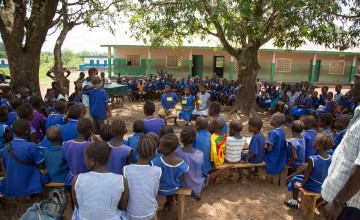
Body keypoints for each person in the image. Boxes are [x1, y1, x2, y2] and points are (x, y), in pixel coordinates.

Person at [322, 72, 360, 220]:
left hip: (348, 206)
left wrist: (338, 202)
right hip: (344, 202)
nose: (352, 83)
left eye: (357, 78)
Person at [71, 140, 129, 219]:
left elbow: (78, 206)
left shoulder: (77, 179)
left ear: (92, 161)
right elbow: (122, 207)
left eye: (85, 158)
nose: (84, 160)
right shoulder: (121, 180)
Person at [0, 119, 49, 197]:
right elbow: (41, 165)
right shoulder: (31, 146)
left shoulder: (7, 147)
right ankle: (30, 193)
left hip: (12, 180)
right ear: (27, 132)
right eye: (30, 128)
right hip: (28, 178)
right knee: (45, 175)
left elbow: (3, 160)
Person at [285, 133, 333, 209]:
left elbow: (307, 174)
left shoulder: (312, 159)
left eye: (315, 141)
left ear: (319, 146)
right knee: (300, 177)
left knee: (295, 179)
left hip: (314, 185)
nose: (313, 142)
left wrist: (301, 184)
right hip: (323, 185)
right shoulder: (331, 158)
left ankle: (294, 201)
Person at [123, 135, 161, 220]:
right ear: (154, 153)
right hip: (150, 214)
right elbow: (154, 192)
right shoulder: (157, 171)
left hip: (131, 215)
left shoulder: (126, 170)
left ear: (136, 149)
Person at [151, 133, 189, 209]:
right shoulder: (181, 162)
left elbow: (154, 178)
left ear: (167, 149)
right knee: (170, 185)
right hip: (174, 188)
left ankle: (169, 202)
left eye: (160, 145)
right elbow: (181, 178)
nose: (158, 146)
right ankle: (170, 201)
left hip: (159, 189)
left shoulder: (156, 161)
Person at [174, 127, 205, 200]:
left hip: (182, 184)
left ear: (181, 139)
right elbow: (201, 165)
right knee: (203, 174)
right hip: (196, 185)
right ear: (194, 139)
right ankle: (197, 194)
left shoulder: (176, 152)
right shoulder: (200, 154)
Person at [63, 118, 93, 190]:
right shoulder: (90, 146)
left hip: (71, 179)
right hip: (86, 180)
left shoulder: (66, 144)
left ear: (77, 129)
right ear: (90, 131)